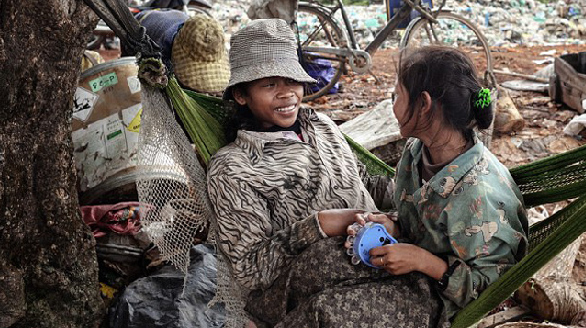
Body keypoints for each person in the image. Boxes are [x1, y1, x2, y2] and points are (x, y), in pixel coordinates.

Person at [252, 45, 528, 327]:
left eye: (397, 96)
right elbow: (420, 215)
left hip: (441, 297)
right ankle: (258, 318)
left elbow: (495, 287)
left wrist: (424, 262)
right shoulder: (416, 151)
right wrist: (391, 225)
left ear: (424, 104)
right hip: (408, 258)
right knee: (318, 261)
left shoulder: (480, 195)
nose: (392, 106)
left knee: (327, 312)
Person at [205, 19, 392, 325]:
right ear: (241, 95)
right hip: (307, 292)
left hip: (379, 254)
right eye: (269, 84)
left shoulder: (321, 125)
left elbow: (364, 182)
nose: (286, 94)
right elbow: (250, 270)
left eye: (291, 80)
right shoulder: (233, 168)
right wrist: (319, 226)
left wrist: (416, 192)